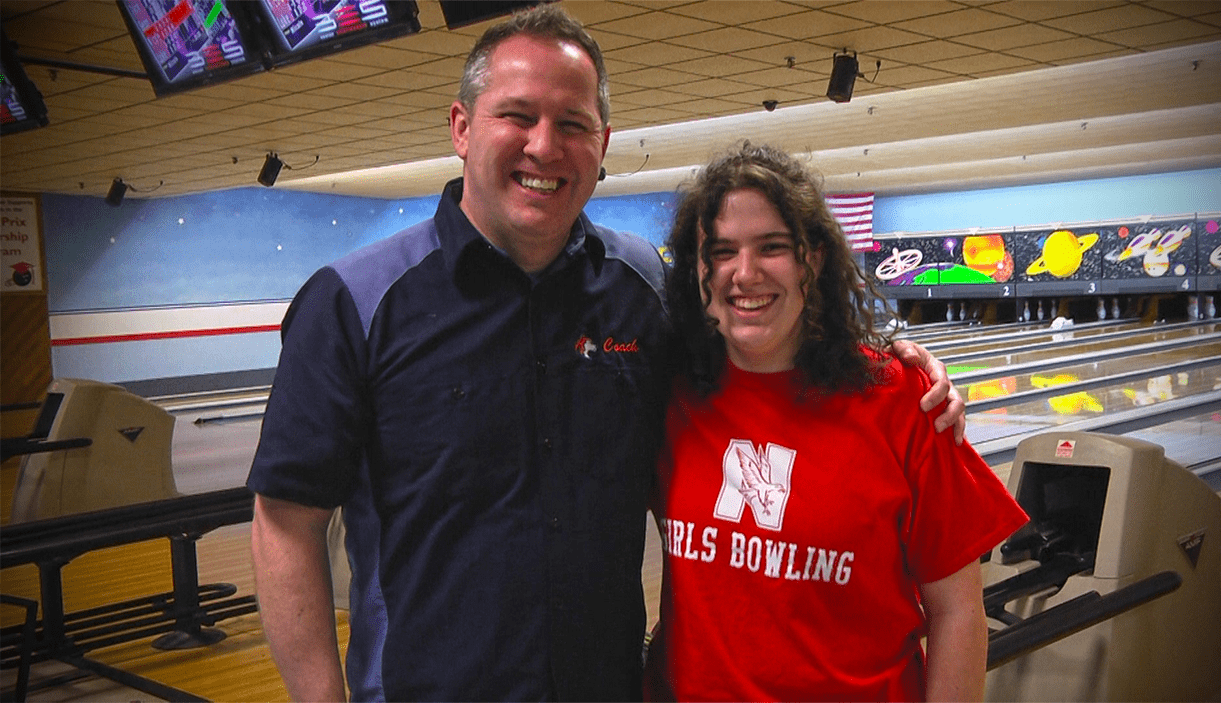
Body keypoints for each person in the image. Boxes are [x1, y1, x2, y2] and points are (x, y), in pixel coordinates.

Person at [247, 6, 964, 701]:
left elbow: (768, 353)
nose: (544, 145)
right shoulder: (355, 300)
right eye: (518, 115)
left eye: (573, 124)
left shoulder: (646, 290)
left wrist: (893, 360)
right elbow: (286, 523)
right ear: (462, 127)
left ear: (603, 142)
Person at [642, 142, 1028, 702]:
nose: (743, 273)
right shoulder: (665, 393)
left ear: (812, 259)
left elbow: (958, 612)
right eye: (721, 252)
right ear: (697, 267)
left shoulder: (904, 401)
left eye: (772, 247)